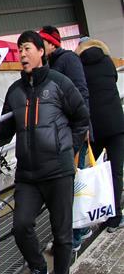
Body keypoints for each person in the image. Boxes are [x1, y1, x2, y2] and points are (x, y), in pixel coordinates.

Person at [0, 31, 90, 274]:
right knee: (20, 226)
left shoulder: (60, 84)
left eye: (27, 48)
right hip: (28, 175)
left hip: (58, 171)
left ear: (41, 51)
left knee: (62, 233)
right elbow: (5, 132)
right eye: (18, 50)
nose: (22, 54)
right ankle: (39, 269)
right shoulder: (15, 91)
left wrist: (68, 151)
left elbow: (82, 119)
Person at [38, 26, 93, 251]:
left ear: (52, 43)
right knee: (66, 187)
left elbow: (82, 91)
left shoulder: (68, 60)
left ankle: (75, 236)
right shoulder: (48, 65)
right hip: (58, 136)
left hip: (73, 132)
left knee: (73, 186)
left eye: (43, 42)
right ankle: (77, 230)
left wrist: (84, 126)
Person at [76, 37, 123, 231]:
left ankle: (92, 214)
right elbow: (114, 79)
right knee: (115, 172)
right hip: (116, 124)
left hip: (93, 129)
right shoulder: (107, 62)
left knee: (89, 172)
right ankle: (115, 218)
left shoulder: (78, 67)